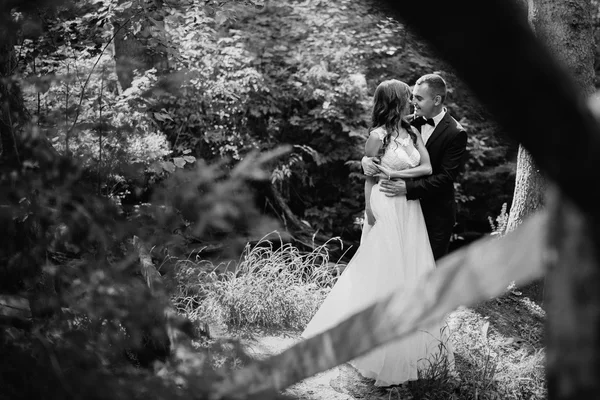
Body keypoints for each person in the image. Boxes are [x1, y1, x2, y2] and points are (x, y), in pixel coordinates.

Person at [301, 79, 454, 386]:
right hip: (384, 204)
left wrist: (395, 173)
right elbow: (368, 177)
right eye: (406, 97)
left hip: (408, 208)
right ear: (394, 102)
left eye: (415, 98)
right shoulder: (377, 135)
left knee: (410, 268)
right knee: (383, 269)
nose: (411, 101)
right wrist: (369, 210)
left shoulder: (411, 131)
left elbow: (425, 169)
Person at [363, 73, 468, 261]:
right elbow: (377, 153)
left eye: (419, 98)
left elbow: (445, 178)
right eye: (412, 97)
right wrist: (365, 161)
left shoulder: (456, 133)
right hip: (399, 208)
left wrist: (407, 188)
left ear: (436, 100)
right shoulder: (405, 123)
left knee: (427, 269)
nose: (413, 102)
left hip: (435, 214)